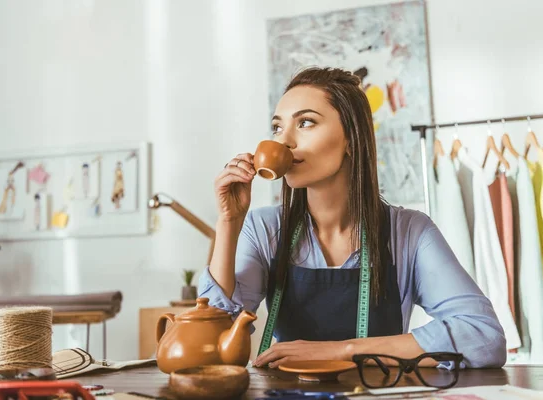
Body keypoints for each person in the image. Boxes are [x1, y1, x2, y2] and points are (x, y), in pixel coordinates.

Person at [198, 67, 506, 369]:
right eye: (277, 128)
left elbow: (484, 336)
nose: (284, 142)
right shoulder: (265, 229)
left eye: (305, 122)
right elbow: (211, 342)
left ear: (351, 139)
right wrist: (229, 222)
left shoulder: (410, 232)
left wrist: (342, 351)